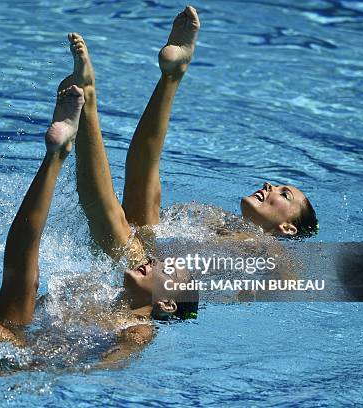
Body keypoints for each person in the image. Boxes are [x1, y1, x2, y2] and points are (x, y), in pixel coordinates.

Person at [0, 85, 196, 364]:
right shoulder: (97, 292)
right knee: (21, 275)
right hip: (20, 333)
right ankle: (56, 154)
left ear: (167, 304)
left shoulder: (139, 330)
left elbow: (109, 366)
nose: (155, 261)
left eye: (167, 270)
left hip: (23, 361)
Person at [60, 5, 317, 280]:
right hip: (149, 258)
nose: (269, 186)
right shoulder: (222, 222)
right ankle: (172, 74)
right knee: (142, 184)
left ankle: (88, 102)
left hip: (157, 283)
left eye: (283, 193)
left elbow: (293, 282)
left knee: (116, 224)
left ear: (287, 229)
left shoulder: (268, 249)